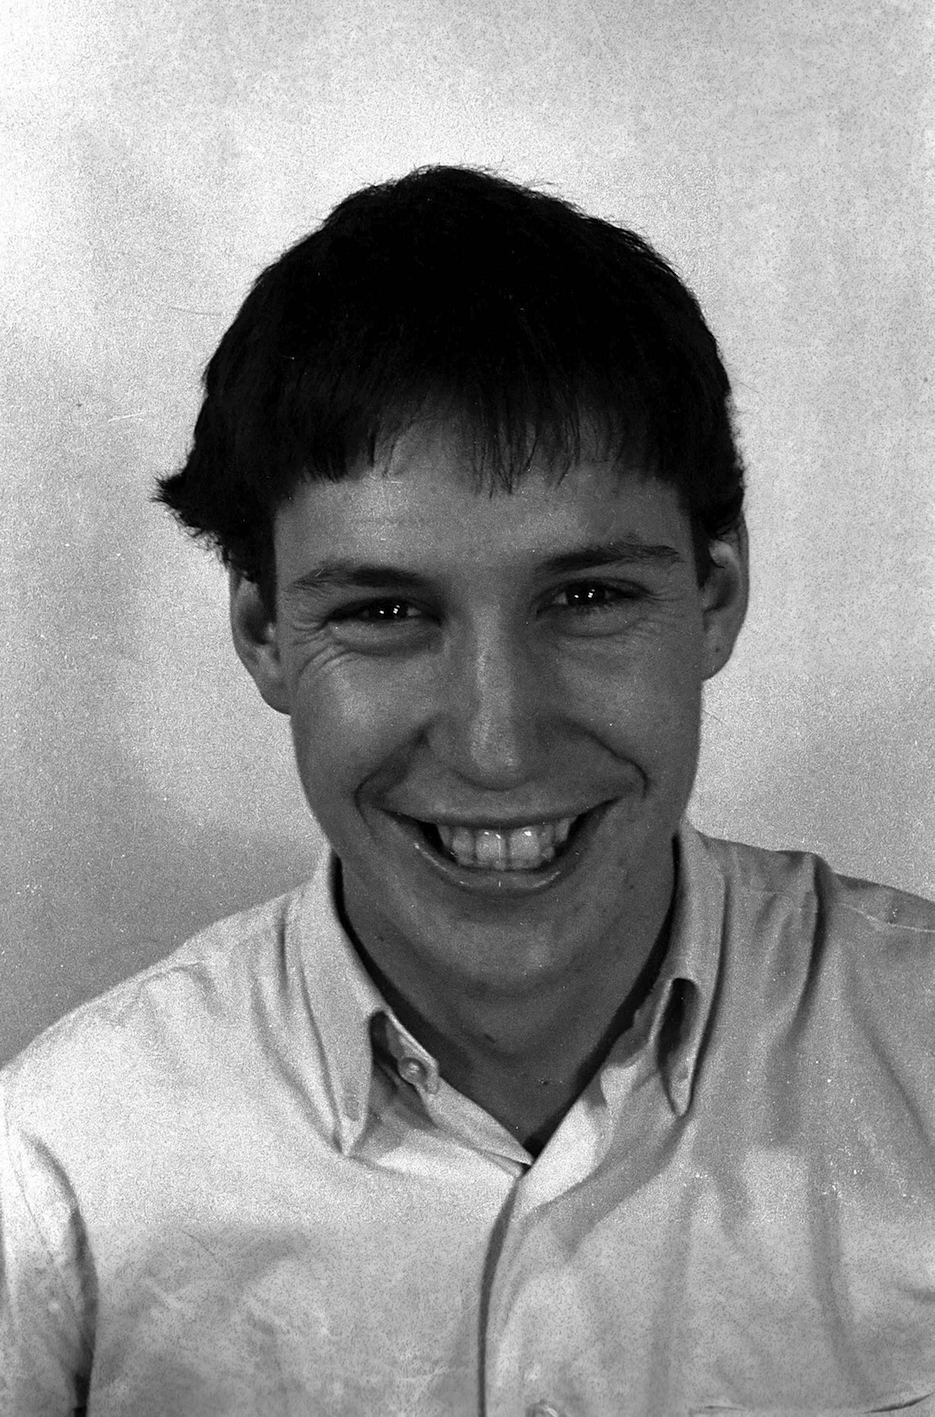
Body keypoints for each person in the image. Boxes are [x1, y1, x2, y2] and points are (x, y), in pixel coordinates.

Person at [2, 165, 934, 1417]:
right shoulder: (57, 1184)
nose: (496, 746)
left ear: (714, 595)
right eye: (384, 612)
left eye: (587, 596)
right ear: (264, 633)